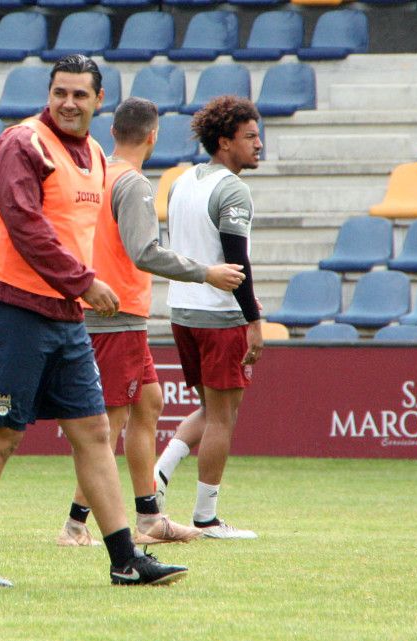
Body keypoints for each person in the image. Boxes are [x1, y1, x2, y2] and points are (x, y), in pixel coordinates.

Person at [0, 55, 187, 588]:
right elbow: (24, 225)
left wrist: (78, 289)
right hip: (10, 307)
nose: (68, 103)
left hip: (64, 316)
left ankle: (126, 562)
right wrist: (82, 280)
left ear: (100, 102)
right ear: (48, 94)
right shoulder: (20, 143)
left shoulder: (96, 155)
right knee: (0, 437)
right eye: (59, 93)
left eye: (79, 95)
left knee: (95, 433)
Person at [56, 97, 245, 548]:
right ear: (153, 136)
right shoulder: (136, 185)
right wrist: (206, 271)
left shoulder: (98, 174)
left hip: (118, 315)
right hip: (115, 317)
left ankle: (150, 518)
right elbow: (145, 252)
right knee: (109, 425)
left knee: (149, 404)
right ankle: (76, 525)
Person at [152, 95, 265, 540]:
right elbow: (237, 261)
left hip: (182, 311)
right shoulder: (233, 189)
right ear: (224, 142)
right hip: (218, 318)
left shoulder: (180, 181)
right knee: (222, 418)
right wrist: (253, 320)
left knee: (212, 408)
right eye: (250, 137)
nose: (259, 145)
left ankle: (160, 474)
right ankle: (206, 518)